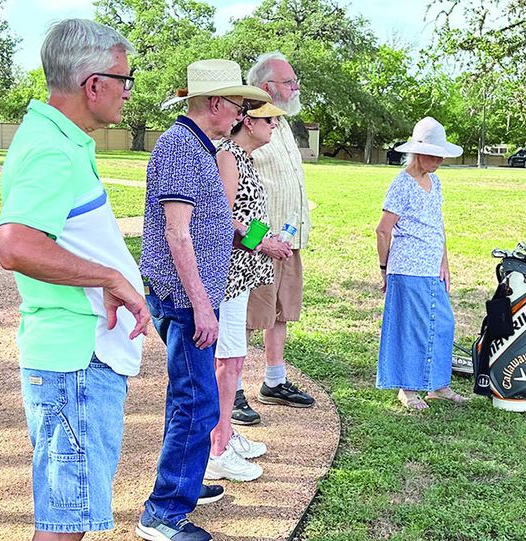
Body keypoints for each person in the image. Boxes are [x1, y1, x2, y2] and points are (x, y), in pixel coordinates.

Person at [0, 19, 153, 539]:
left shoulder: (58, 140)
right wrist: (109, 276)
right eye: (124, 80)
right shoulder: (52, 150)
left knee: (70, 516)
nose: (129, 92)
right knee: (65, 524)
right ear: (93, 84)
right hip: (75, 361)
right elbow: (14, 244)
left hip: (77, 359)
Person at [137, 59, 272, 541]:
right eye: (239, 105)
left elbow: (216, 221)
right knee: (196, 400)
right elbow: (177, 234)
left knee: (192, 396)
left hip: (202, 291)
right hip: (186, 297)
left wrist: (257, 237)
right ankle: (164, 512)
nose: (242, 114)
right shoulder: (182, 148)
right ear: (215, 103)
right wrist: (201, 304)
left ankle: (184, 485)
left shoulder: (199, 147)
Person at [206, 100, 292, 482]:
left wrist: (267, 237)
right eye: (269, 119)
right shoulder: (228, 156)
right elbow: (224, 216)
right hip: (227, 275)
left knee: (234, 359)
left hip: (240, 275)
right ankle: (217, 449)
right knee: (227, 362)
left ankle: (225, 431)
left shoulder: (243, 157)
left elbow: (245, 219)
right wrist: (263, 243)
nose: (274, 126)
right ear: (248, 121)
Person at [234, 52, 316, 425]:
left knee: (281, 312)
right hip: (259, 242)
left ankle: (274, 381)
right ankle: (232, 390)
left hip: (289, 236)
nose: (295, 87)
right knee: (250, 316)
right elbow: (235, 200)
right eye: (288, 82)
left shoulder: (280, 123)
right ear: (267, 87)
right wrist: (257, 238)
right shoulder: (248, 123)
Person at [374, 117, 470, 410]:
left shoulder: (435, 181)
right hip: (407, 268)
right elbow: (382, 229)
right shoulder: (402, 183)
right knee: (413, 328)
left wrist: (445, 262)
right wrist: (384, 269)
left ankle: (437, 385)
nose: (439, 160)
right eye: (433, 154)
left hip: (431, 268)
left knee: (443, 324)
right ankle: (408, 389)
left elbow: (437, 224)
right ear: (417, 152)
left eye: (441, 155)